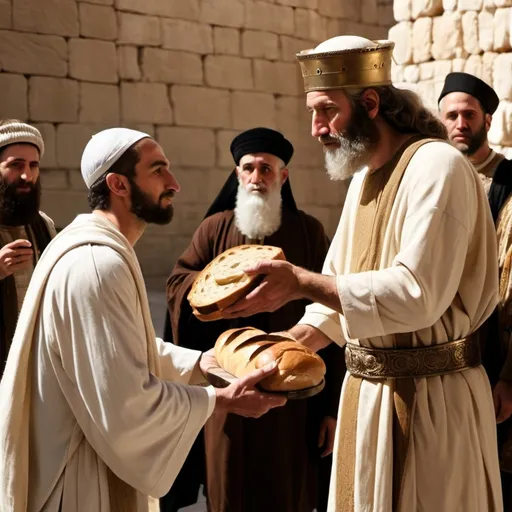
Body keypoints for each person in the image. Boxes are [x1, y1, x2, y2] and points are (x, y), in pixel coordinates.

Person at [220, 36, 506, 510]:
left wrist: (299, 280)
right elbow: (337, 292)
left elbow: (416, 293)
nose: (315, 129)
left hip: (433, 403)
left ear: (370, 103)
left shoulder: (438, 166)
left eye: (327, 110)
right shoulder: (364, 177)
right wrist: (283, 344)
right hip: (366, 399)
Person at [0, 127, 287, 512]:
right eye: (158, 171)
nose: (175, 184)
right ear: (118, 184)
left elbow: (112, 348)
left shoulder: (101, 249)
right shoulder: (96, 263)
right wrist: (218, 400)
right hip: (79, 481)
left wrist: (200, 362)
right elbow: (124, 405)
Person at [162, 127, 344, 512]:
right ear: (237, 174)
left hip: (293, 398)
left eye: (266, 169)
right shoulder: (215, 228)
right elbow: (179, 283)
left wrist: (330, 408)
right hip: (227, 386)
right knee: (228, 488)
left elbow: (334, 310)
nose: (257, 177)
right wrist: (220, 286)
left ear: (283, 176)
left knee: (286, 492)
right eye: (249, 168)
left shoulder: (308, 232)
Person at [439, 71, 512, 508]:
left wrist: (509, 375)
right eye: (451, 115)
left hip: (495, 356)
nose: (460, 123)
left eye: (469, 114)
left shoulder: (509, 181)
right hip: (444, 354)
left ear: (487, 119)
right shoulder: (435, 178)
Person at [0, 119, 56, 376]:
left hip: (35, 367)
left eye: (33, 165)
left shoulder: (43, 226)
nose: (27, 176)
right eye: (15, 165)